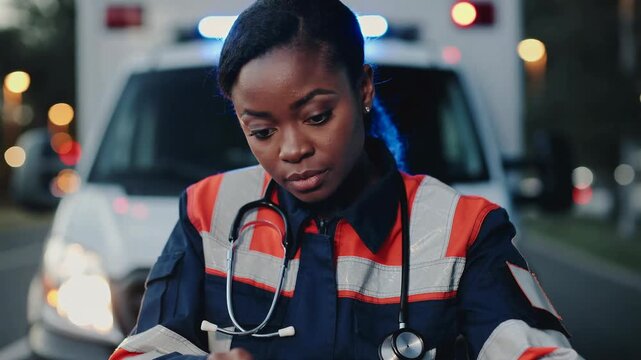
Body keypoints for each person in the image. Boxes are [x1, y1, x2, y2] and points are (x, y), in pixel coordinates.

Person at [109, 0, 582, 359]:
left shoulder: (463, 232)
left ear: (363, 89)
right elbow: (146, 347)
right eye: (263, 131)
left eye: (316, 116)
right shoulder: (207, 211)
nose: (292, 149)